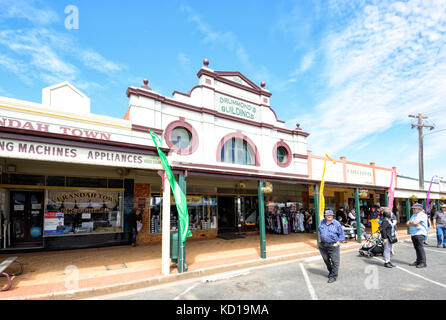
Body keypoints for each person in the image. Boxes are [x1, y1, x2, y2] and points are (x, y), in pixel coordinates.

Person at [318, 209, 345, 283]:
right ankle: (331, 271)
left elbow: (342, 234)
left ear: (333, 216)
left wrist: (337, 243)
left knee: (335, 261)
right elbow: (319, 231)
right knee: (326, 260)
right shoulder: (321, 222)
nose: (329, 216)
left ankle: (333, 276)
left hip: (333, 245)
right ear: (325, 216)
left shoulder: (337, 223)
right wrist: (319, 240)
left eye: (331, 215)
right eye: (327, 215)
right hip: (323, 245)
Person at [406, 203, 428, 268]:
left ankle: (423, 262)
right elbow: (407, 223)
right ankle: (418, 261)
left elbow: (414, 222)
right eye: (413, 208)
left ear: (419, 209)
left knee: (420, 248)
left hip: (420, 233)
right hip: (414, 233)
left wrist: (412, 222)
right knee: (417, 248)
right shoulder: (414, 215)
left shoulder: (422, 215)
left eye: (414, 208)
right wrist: (413, 223)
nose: (413, 209)